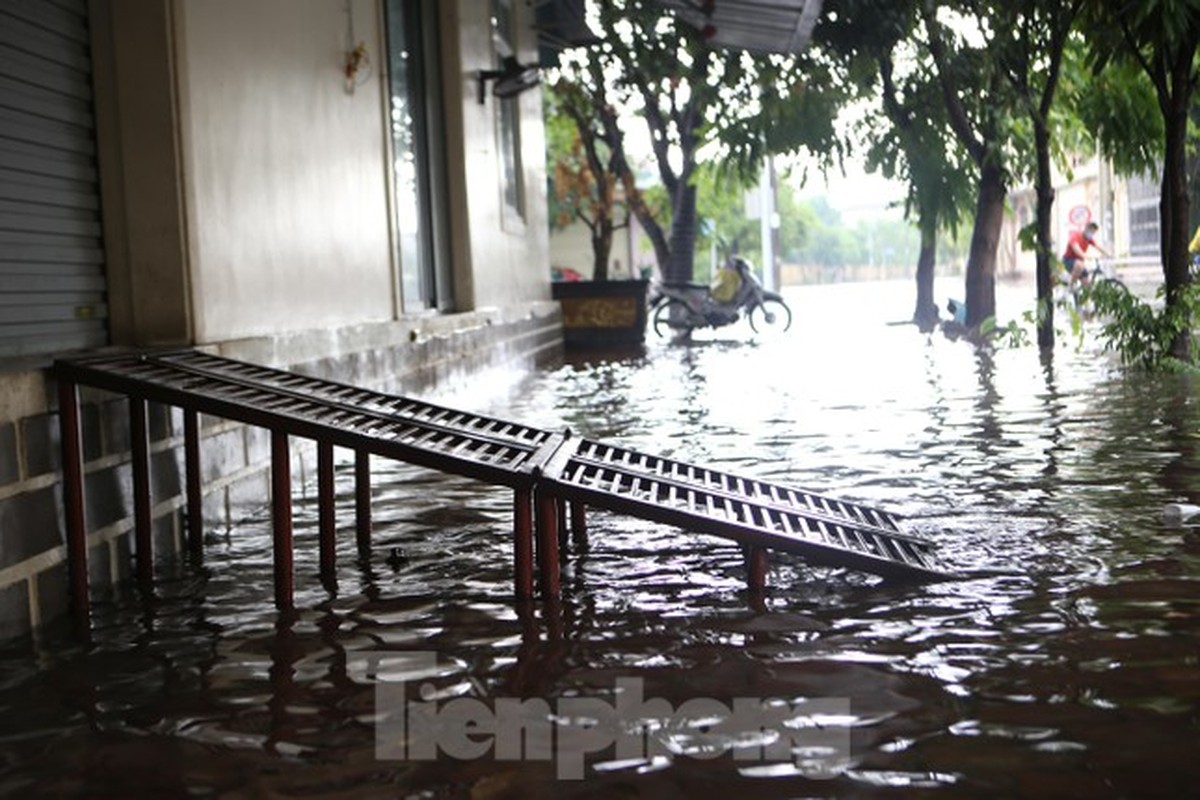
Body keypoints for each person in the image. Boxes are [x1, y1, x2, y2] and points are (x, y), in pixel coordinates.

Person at [1061, 222, 1110, 291]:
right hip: (1068, 261)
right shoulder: (1075, 236)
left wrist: (1107, 254)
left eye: (1093, 233)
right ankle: (1070, 285)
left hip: (1079, 263)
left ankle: (1081, 300)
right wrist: (1088, 256)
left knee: (1086, 285)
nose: (1092, 234)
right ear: (1086, 229)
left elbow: (1098, 246)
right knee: (1079, 265)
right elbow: (1078, 251)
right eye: (1091, 231)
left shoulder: (1088, 239)